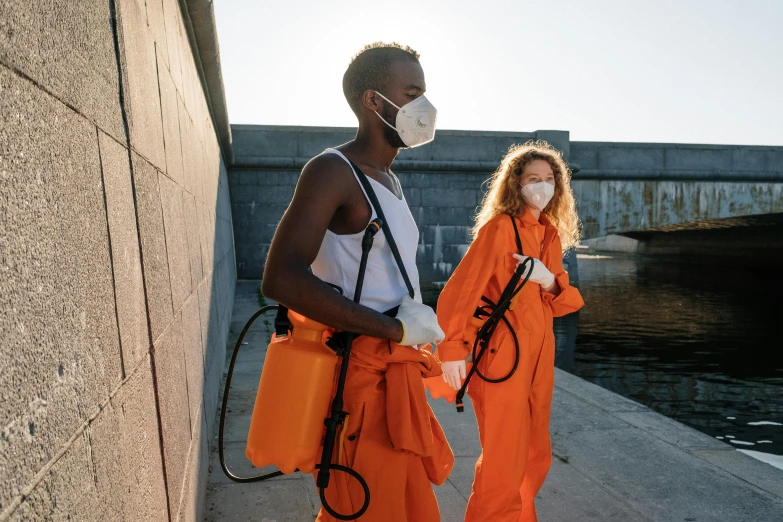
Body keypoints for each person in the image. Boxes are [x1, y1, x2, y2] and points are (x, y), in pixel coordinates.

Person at [261, 42, 453, 522]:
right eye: (411, 93)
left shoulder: (389, 180)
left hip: (397, 379)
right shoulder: (332, 170)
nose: (423, 107)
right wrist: (395, 330)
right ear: (374, 101)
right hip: (361, 385)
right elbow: (280, 277)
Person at [435, 141, 584, 522]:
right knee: (504, 458)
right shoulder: (501, 229)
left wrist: (549, 280)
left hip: (538, 359)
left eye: (549, 179)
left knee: (535, 454)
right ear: (516, 185)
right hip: (506, 355)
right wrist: (453, 349)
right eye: (533, 178)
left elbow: (564, 302)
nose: (543, 186)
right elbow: (462, 290)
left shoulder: (548, 234)